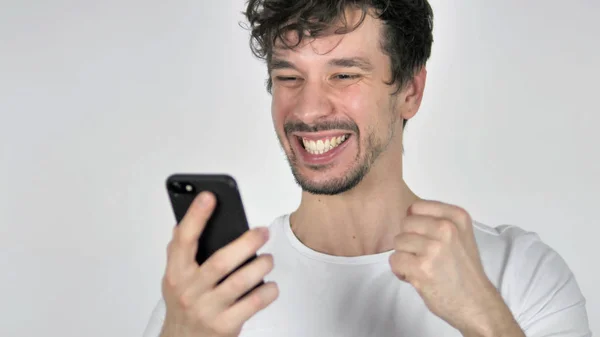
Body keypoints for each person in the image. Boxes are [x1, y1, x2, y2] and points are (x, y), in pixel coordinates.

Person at [143, 1, 591, 336]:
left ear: (410, 91)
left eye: (344, 75)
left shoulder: (519, 274)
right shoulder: (209, 296)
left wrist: (485, 320)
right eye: (289, 77)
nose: (309, 109)